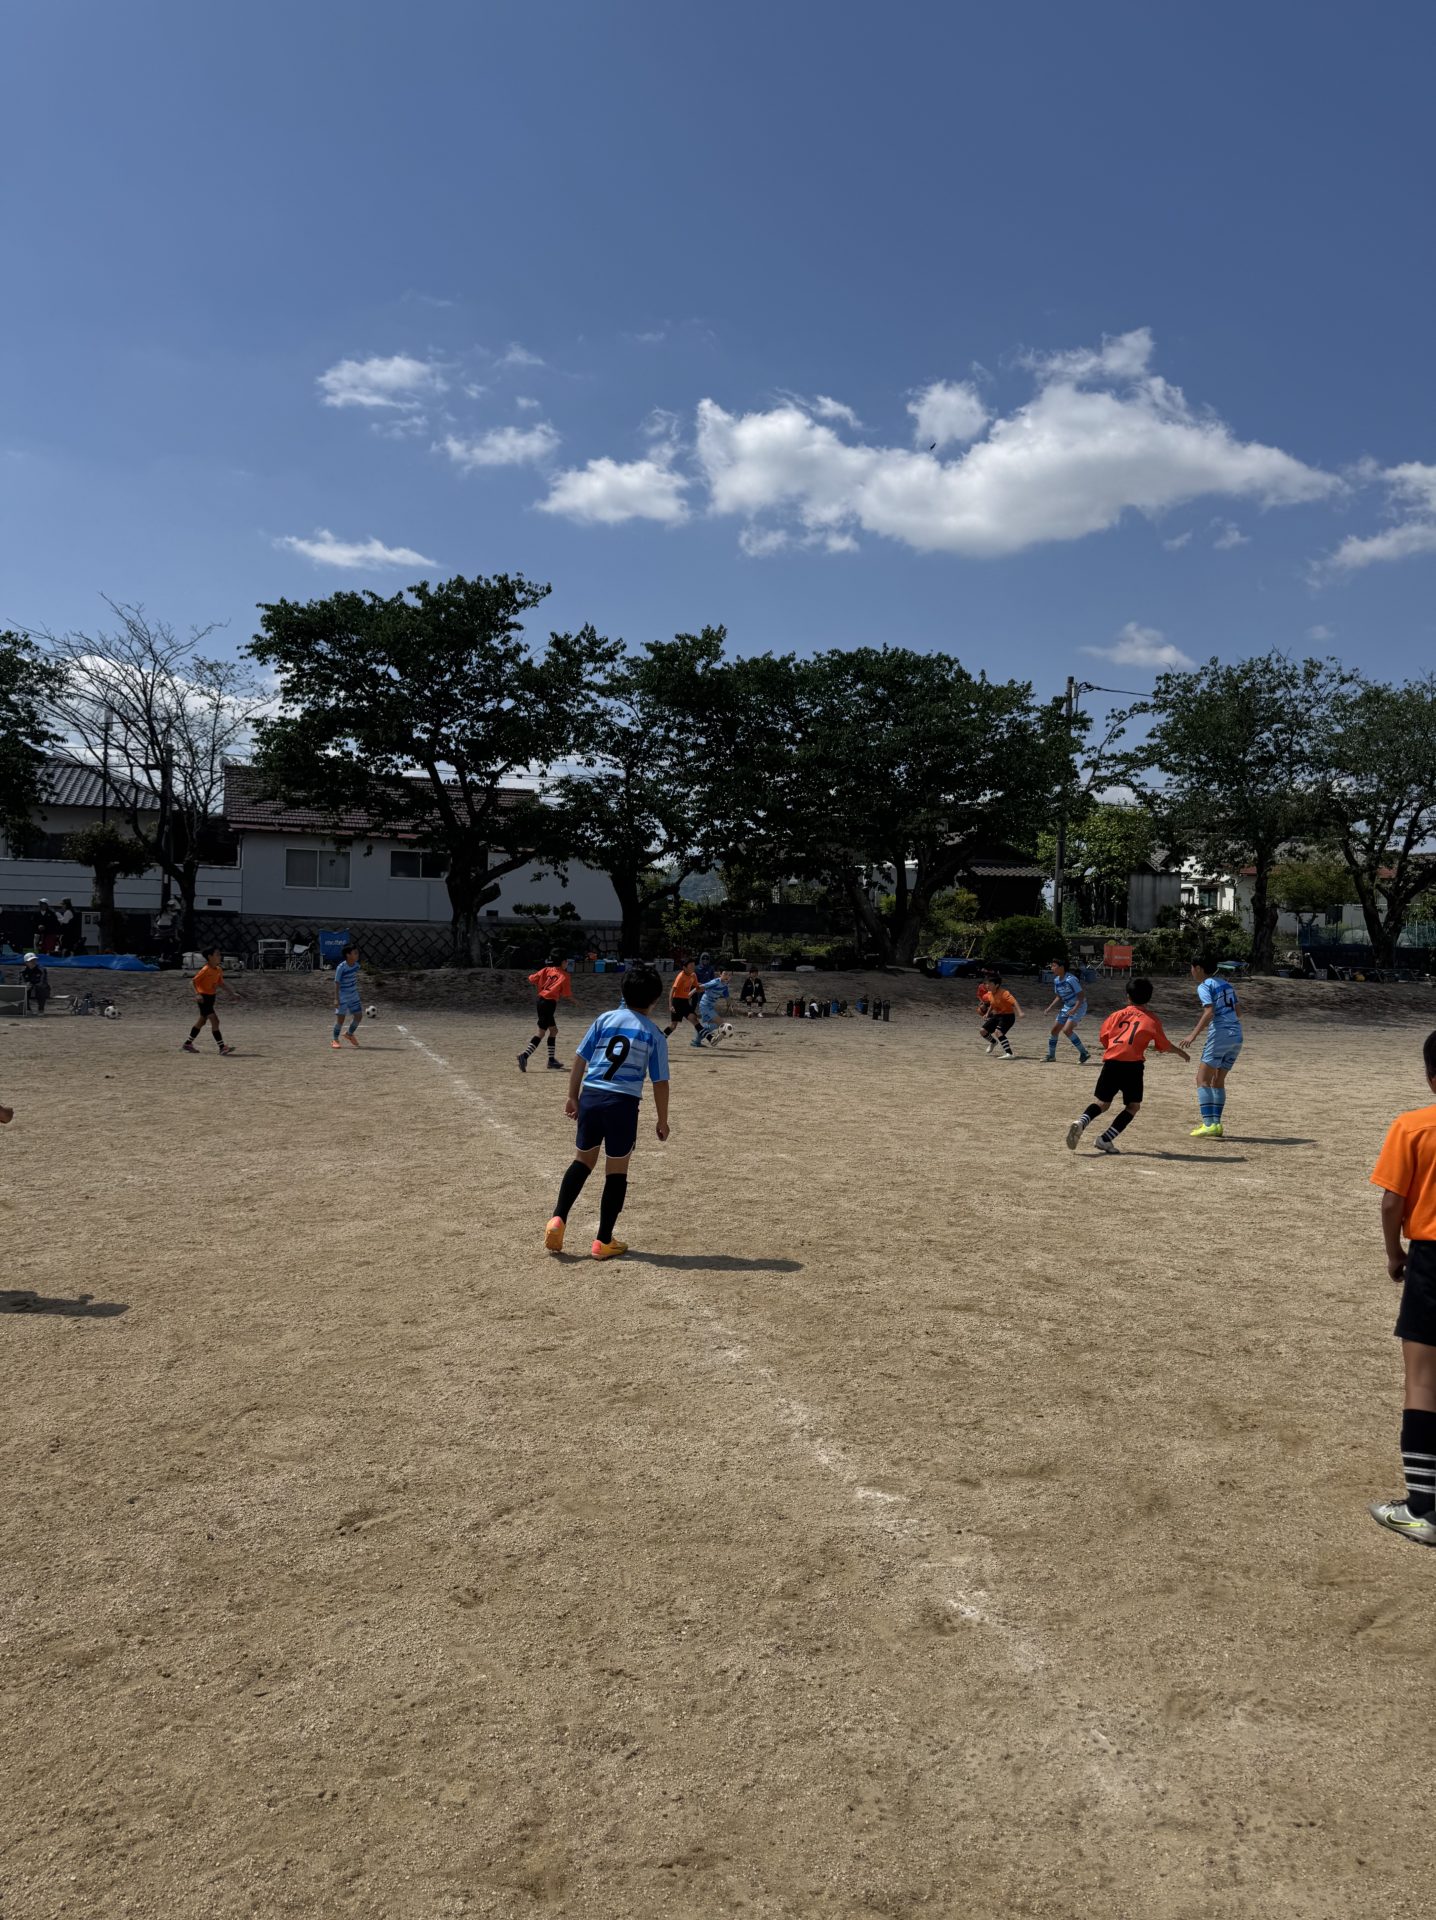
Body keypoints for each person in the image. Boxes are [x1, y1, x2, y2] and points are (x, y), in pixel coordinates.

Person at [543, 964, 670, 1261]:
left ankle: (558, 1218)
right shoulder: (654, 1034)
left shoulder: (604, 1019)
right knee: (616, 1170)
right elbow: (660, 1082)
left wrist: (572, 1096)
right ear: (655, 1000)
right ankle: (603, 1240)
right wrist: (662, 1119)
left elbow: (580, 1058)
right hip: (622, 1105)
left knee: (582, 1161)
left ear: (623, 992)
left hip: (591, 1097)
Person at [1368, 1030, 1436, 1547]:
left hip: (1432, 1260)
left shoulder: (1414, 1126)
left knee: (1423, 1381)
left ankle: (1422, 1510)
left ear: (1431, 1077)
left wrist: (1395, 1254)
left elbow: (1392, 1203)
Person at [1064, 977, 1189, 1155]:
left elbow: (1104, 1038)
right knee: (1133, 1106)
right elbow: (1163, 1045)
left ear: (1128, 996)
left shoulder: (1115, 1015)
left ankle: (1082, 1121)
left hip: (1111, 1063)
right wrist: (1180, 1052)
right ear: (1149, 998)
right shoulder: (1151, 1020)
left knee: (1102, 1103)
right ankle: (1105, 1139)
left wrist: (1115, 1049)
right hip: (1133, 1067)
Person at [1181, 956, 1243, 1138]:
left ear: (1199, 968)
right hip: (1237, 1035)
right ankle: (1216, 1124)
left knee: (1202, 1079)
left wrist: (1193, 1035)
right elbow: (1239, 1012)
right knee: (1218, 1080)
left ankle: (1209, 1124)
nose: (1191, 972)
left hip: (1220, 1035)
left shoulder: (1204, 986)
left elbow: (1209, 1012)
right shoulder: (1226, 984)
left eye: (1192, 968)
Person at [518, 954, 573, 1073]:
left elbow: (531, 978)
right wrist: (577, 1002)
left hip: (541, 1001)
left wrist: (542, 984)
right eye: (566, 961)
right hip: (549, 1004)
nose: (567, 964)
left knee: (554, 1031)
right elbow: (567, 994)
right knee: (541, 1033)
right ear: (562, 962)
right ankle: (524, 1056)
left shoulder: (546, 970)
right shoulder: (564, 975)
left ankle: (551, 1061)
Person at [182, 948, 236, 1055]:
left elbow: (221, 984)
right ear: (210, 957)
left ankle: (187, 1044)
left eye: (219, 954)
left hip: (211, 998)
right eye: (217, 954)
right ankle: (222, 1047)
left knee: (202, 1021)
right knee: (215, 1021)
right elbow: (192, 982)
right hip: (203, 998)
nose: (220, 956)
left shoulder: (218, 969)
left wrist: (232, 993)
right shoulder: (205, 969)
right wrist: (197, 994)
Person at [1041, 957, 1091, 1065]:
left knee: (1067, 1030)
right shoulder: (1056, 980)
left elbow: (1081, 996)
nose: (1052, 968)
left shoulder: (1071, 979)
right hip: (1067, 1007)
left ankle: (1084, 1053)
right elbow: (1058, 996)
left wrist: (1074, 1009)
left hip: (1079, 1006)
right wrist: (1049, 1008)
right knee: (1054, 1031)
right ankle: (1051, 1056)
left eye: (1054, 966)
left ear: (1062, 967)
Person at [979, 973, 1022, 1059]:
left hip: (1008, 1016)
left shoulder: (1004, 993)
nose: (987, 985)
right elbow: (992, 1004)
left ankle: (1009, 1054)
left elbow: (1014, 1002)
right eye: (986, 984)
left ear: (997, 985)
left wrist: (1020, 1012)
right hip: (997, 1016)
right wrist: (987, 1013)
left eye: (990, 984)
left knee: (998, 1032)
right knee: (983, 1031)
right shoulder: (989, 993)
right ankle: (993, 1042)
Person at [331, 942, 363, 1050]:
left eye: (357, 953)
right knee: (341, 1019)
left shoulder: (356, 965)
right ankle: (335, 1040)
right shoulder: (341, 967)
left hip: (353, 994)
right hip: (343, 996)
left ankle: (349, 1034)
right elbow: (337, 983)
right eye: (355, 953)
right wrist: (336, 998)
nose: (357, 955)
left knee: (358, 1016)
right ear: (348, 955)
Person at [691, 969, 732, 1048]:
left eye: (729, 975)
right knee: (721, 1023)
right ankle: (713, 1038)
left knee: (714, 1025)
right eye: (725, 974)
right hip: (705, 1005)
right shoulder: (715, 982)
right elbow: (699, 987)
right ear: (720, 974)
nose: (727, 976)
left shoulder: (725, 986)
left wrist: (730, 1005)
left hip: (709, 1006)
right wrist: (688, 995)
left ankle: (697, 1041)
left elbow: (727, 998)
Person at [662, 959, 701, 1038]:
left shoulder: (693, 975)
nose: (693, 967)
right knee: (673, 1026)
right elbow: (672, 990)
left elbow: (697, 987)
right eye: (691, 966)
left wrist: (708, 986)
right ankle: (661, 1037)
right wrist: (670, 1005)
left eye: (694, 965)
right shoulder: (680, 976)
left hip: (685, 1001)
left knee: (694, 1019)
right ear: (684, 967)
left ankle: (710, 1038)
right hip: (677, 1001)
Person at [20, 952, 50, 1016]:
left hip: (40, 988)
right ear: (26, 962)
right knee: (23, 990)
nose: (33, 962)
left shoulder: (41, 970)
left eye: (34, 960)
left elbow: (43, 982)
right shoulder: (23, 972)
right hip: (29, 988)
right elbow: (21, 982)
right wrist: (26, 986)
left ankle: (41, 1009)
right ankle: (27, 1009)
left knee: (41, 989)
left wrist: (33, 985)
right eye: (31, 960)